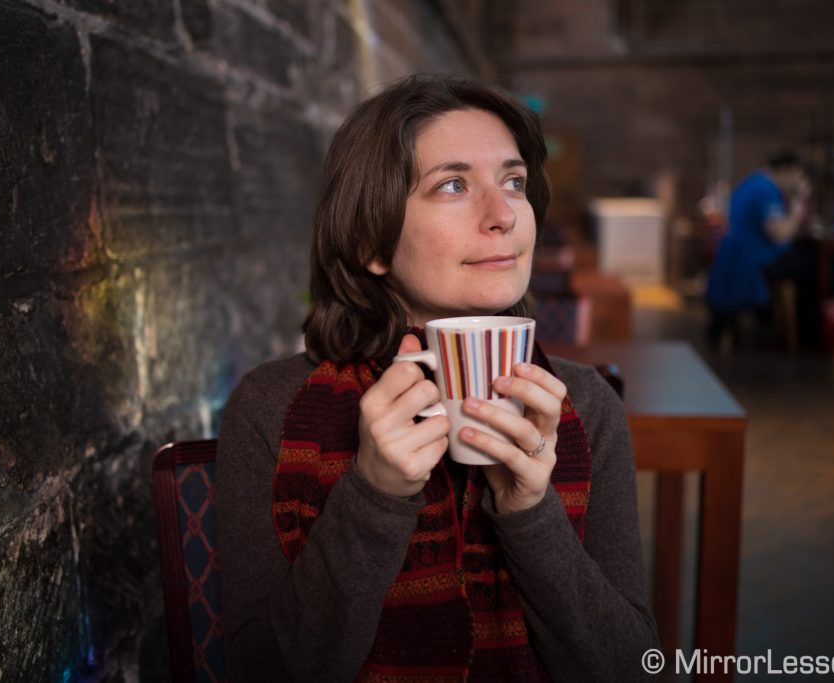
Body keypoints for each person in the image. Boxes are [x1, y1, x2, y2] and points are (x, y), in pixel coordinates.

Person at [216, 73, 658, 682]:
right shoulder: (269, 408)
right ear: (372, 240)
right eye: (453, 185)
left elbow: (635, 669)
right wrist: (373, 493)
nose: (503, 215)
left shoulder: (585, 405)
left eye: (514, 182)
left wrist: (530, 511)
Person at [705, 150, 818, 348]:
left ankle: (791, 331)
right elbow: (781, 233)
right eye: (797, 176)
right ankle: (807, 341)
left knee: (809, 261)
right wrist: (798, 204)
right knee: (816, 264)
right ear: (785, 170)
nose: (796, 182)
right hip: (754, 260)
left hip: (739, 257)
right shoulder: (766, 189)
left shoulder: (750, 182)